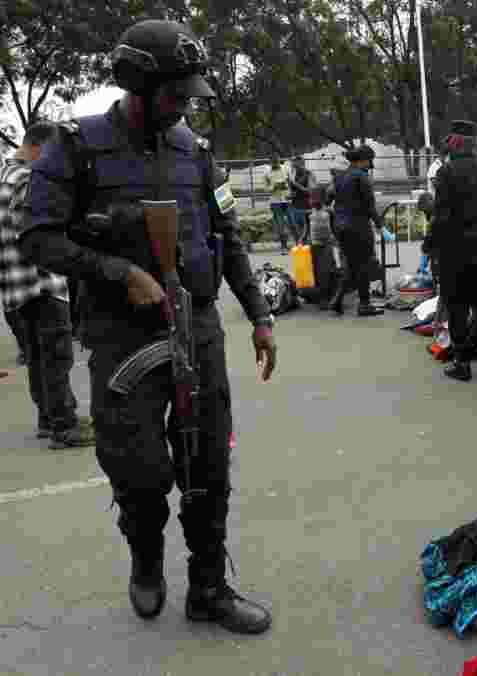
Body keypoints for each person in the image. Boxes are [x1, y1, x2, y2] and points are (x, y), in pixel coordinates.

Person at [19, 20, 277, 633]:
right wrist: (114, 270)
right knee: (139, 471)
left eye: (190, 95)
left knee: (208, 465)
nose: (185, 105)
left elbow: (231, 236)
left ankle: (209, 589)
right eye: (174, 94)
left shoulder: (198, 151)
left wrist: (260, 315)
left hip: (198, 326)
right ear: (137, 86)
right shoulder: (76, 147)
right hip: (121, 334)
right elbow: (38, 237)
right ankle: (146, 560)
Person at [1, 123, 95, 448]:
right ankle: (64, 425)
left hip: (15, 286)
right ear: (39, 149)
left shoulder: (4, 175)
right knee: (57, 357)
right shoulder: (27, 179)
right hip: (41, 280)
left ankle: (49, 418)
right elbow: (34, 227)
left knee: (39, 359)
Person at [432, 120, 477, 382]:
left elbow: (440, 215)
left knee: (458, 305)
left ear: (455, 141)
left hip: (454, 248)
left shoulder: (445, 173)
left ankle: (462, 362)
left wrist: (432, 245)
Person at [330, 145, 385, 317]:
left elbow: (329, 198)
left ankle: (337, 299)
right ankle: (364, 304)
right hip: (358, 227)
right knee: (363, 265)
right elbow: (370, 206)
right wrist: (381, 226)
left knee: (351, 265)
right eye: (370, 162)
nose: (370, 166)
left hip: (340, 227)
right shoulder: (361, 177)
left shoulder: (341, 176)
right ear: (364, 160)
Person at [308, 188, 338, 311]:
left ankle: (327, 297)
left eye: (316, 198)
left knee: (326, 271)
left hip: (327, 245)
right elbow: (306, 229)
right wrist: (301, 240)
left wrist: (337, 239)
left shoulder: (329, 212)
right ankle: (320, 297)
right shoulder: (309, 213)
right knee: (316, 271)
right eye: (311, 198)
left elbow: (334, 227)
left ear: (323, 199)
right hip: (314, 246)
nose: (313, 201)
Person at [264, 157, 291, 254]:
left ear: (279, 161)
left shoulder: (286, 168)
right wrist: (273, 187)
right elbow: (265, 188)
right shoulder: (266, 172)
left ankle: (299, 244)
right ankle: (284, 247)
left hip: (287, 199)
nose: (275, 164)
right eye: (273, 163)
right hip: (275, 201)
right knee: (280, 224)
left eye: (277, 163)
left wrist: (285, 185)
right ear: (270, 162)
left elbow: (290, 182)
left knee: (292, 222)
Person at [288, 156, 313, 245]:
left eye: (295, 165)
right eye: (293, 165)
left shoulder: (309, 174)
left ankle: (306, 244)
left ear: (302, 164)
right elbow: (291, 191)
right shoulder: (293, 175)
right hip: (295, 205)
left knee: (306, 227)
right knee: (297, 227)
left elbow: (310, 190)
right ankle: (301, 245)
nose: (294, 166)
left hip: (307, 205)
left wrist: (296, 185)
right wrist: (290, 194)